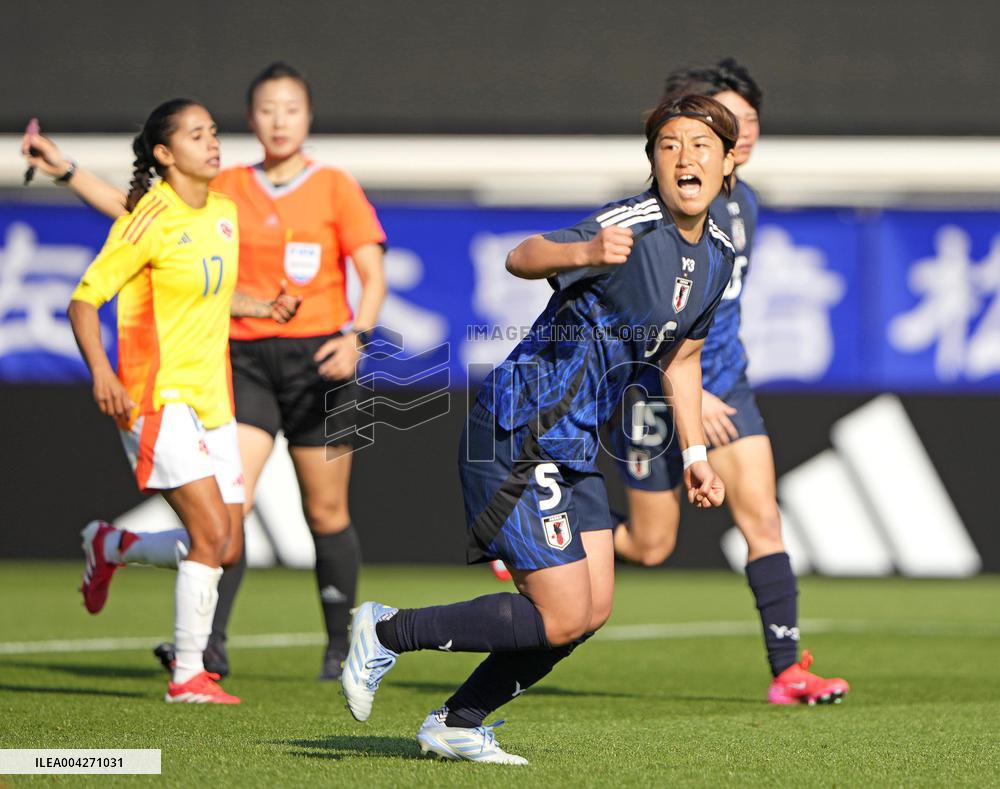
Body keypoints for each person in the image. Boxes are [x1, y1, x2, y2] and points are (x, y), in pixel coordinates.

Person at [340, 94, 736, 764]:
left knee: (592, 608)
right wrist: (585, 248)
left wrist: (695, 452)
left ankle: (458, 720)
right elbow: (523, 255)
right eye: (669, 144)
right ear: (652, 161)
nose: (685, 157)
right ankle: (386, 629)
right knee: (556, 612)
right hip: (519, 427)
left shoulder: (717, 258)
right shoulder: (630, 227)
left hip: (573, 445)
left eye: (701, 144)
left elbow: (683, 358)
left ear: (728, 164)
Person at [24, 63, 387, 681]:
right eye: (266, 109)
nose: (278, 120)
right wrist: (65, 170)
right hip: (241, 358)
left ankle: (338, 650)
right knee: (224, 516)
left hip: (319, 360)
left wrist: (358, 337)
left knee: (325, 512)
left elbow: (373, 273)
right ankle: (206, 650)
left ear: (308, 117)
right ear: (251, 118)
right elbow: (136, 212)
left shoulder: (334, 186)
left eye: (291, 108)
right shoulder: (226, 185)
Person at [609, 59, 849, 705]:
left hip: (726, 382)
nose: (738, 132)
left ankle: (787, 672)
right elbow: (630, 322)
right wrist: (688, 392)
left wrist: (715, 385)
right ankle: (535, 538)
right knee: (651, 545)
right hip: (653, 386)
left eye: (747, 120)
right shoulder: (657, 214)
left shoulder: (746, 202)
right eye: (723, 121)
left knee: (764, 520)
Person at [69, 98, 291, 703]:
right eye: (197, 135)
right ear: (165, 154)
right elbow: (84, 301)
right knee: (211, 531)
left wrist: (261, 307)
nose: (213, 142)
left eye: (214, 132)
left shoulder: (222, 210)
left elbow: (209, 299)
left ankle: (112, 545)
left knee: (227, 543)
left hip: (211, 400)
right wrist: (101, 373)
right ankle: (188, 674)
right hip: (152, 395)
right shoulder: (148, 218)